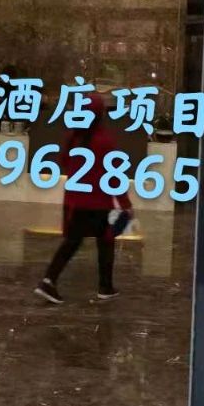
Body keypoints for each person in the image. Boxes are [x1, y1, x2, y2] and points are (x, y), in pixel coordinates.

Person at [35, 95, 132, 304]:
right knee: (105, 242)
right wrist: (125, 204)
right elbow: (114, 176)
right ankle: (104, 286)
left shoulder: (74, 136)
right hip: (99, 203)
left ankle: (50, 280)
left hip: (75, 202)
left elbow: (64, 161)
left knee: (72, 242)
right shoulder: (104, 141)